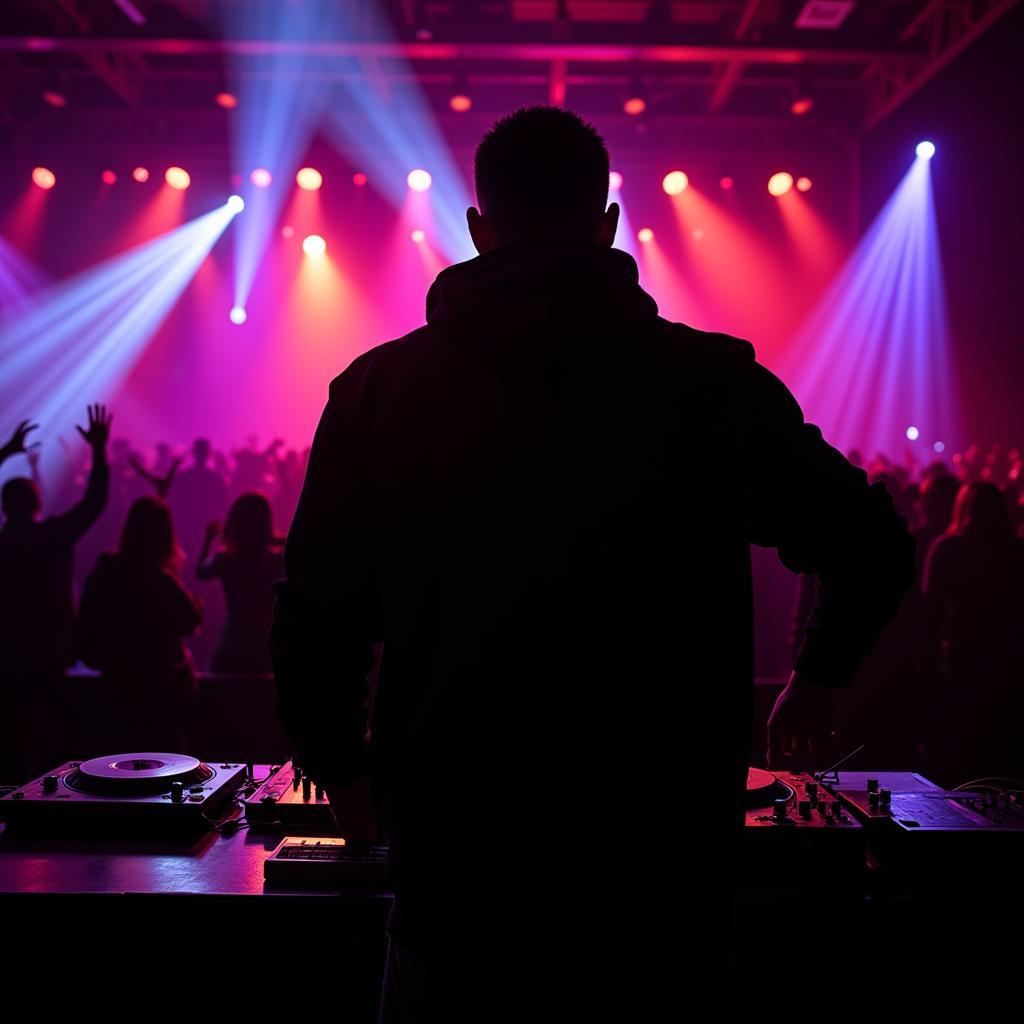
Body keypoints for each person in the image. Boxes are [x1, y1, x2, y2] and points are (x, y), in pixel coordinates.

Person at [271, 107, 915, 1021]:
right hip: (661, 866)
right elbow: (873, 543)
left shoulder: (379, 392)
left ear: (480, 232)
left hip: (460, 864)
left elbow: (313, 614)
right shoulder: (714, 386)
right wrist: (818, 676)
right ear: (608, 223)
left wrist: (341, 766)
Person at [0, 407, 111, 778]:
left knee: (11, 747)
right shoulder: (54, 536)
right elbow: (94, 501)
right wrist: (98, 450)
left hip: (8, 654)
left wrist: (5, 453)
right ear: (37, 502)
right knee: (54, 752)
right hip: (53, 652)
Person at [77, 496, 202, 752]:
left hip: (117, 681)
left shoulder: (105, 572)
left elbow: (85, 623)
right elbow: (190, 621)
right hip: (161, 688)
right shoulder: (160, 579)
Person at [921, 482, 1024, 783]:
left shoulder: (948, 548)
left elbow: (930, 616)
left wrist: (926, 673)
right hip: (1008, 669)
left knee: (957, 762)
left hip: (958, 667)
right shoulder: (1017, 552)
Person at [196, 492, 283, 673]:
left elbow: (200, 572)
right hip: (264, 649)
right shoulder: (275, 561)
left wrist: (208, 539)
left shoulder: (225, 559)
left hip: (231, 646)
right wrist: (275, 538)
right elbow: (305, 553)